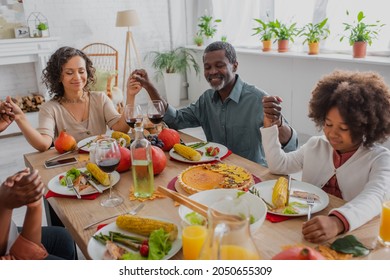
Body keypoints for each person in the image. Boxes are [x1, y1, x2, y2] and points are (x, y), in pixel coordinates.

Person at [261, 70, 390, 243]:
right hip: (304, 228)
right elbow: (279, 165)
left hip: (349, 235)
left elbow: (375, 197)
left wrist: (337, 222)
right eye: (328, 124)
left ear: (365, 127)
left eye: (343, 128)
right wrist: (270, 127)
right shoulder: (316, 145)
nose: (332, 134)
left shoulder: (379, 159)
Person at [127, 41, 297, 166]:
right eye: (207, 67)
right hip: (215, 171)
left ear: (235, 66)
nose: (213, 72)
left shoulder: (258, 99)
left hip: (252, 175)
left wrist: (278, 122)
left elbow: (291, 146)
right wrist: (149, 86)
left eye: (219, 65)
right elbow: (176, 119)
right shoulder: (206, 99)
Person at [2, 46, 139, 152]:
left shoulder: (100, 98)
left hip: (102, 160)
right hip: (69, 169)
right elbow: (43, 145)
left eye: (81, 71)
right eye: (69, 72)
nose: (77, 77)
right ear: (58, 76)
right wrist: (20, 119)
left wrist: (130, 96)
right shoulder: (50, 108)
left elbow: (121, 129)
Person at [0, 102, 76, 260]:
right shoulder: (51, 107)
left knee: (63, 238)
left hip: (8, 233)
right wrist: (7, 205)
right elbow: (22, 253)